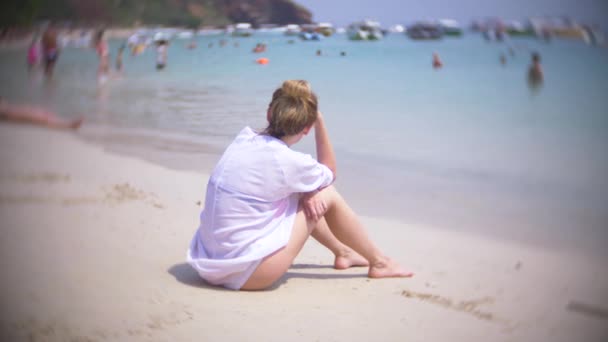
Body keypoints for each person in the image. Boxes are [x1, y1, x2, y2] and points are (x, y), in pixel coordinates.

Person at [187, 80, 412, 290]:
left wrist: (308, 191)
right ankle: (380, 262)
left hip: (208, 262)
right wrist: (321, 123)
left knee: (303, 191)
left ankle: (343, 251)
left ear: (269, 113)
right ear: (307, 128)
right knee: (326, 193)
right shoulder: (287, 162)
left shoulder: (244, 139)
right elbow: (330, 173)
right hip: (247, 275)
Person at [0, 98, 83, 130]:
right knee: (39, 115)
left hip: (6, 109)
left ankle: (67, 123)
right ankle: (67, 124)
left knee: (41, 113)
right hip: (6, 111)